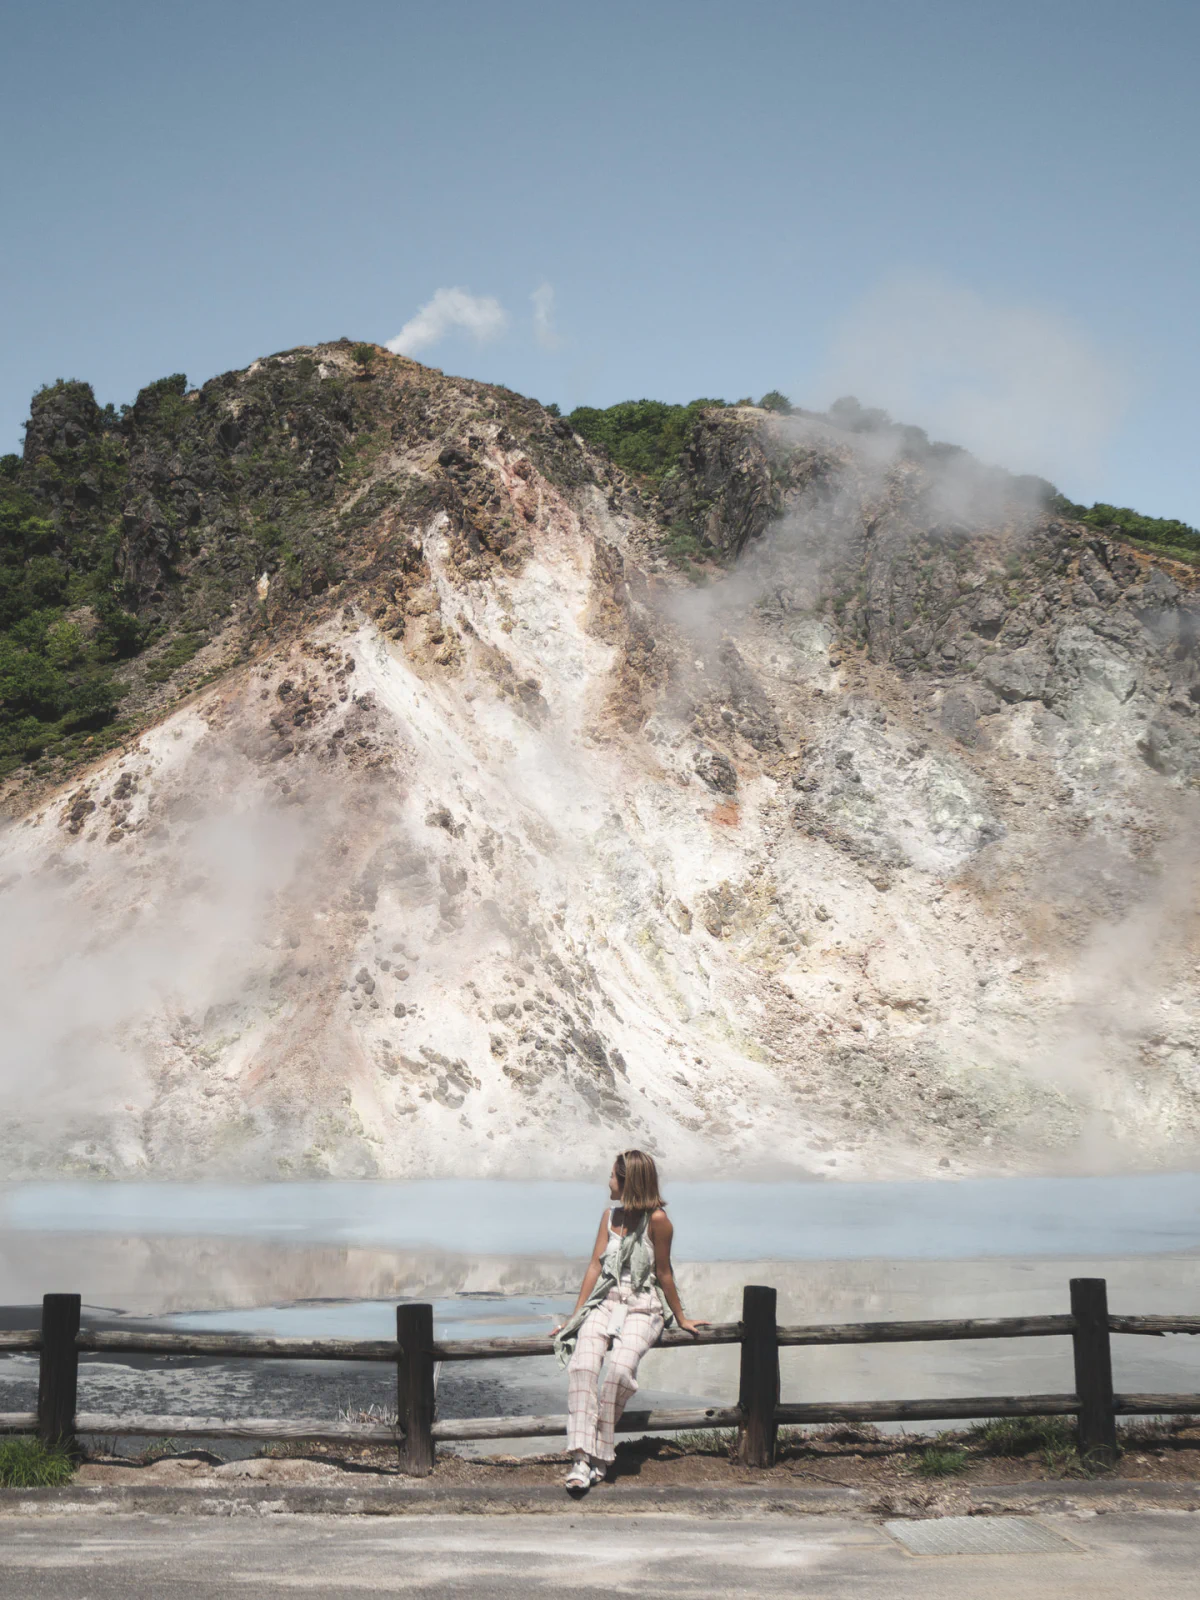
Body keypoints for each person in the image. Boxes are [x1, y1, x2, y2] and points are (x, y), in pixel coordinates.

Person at [551, 1149, 707, 1494]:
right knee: (583, 1367)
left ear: (629, 1181)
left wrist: (680, 1317)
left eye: (612, 1176)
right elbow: (595, 1266)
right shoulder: (610, 1216)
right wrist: (575, 1317)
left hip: (642, 1306)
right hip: (606, 1303)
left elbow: (664, 1272)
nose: (607, 1181)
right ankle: (580, 1458)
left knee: (619, 1372)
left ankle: (601, 1454)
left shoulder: (659, 1221)